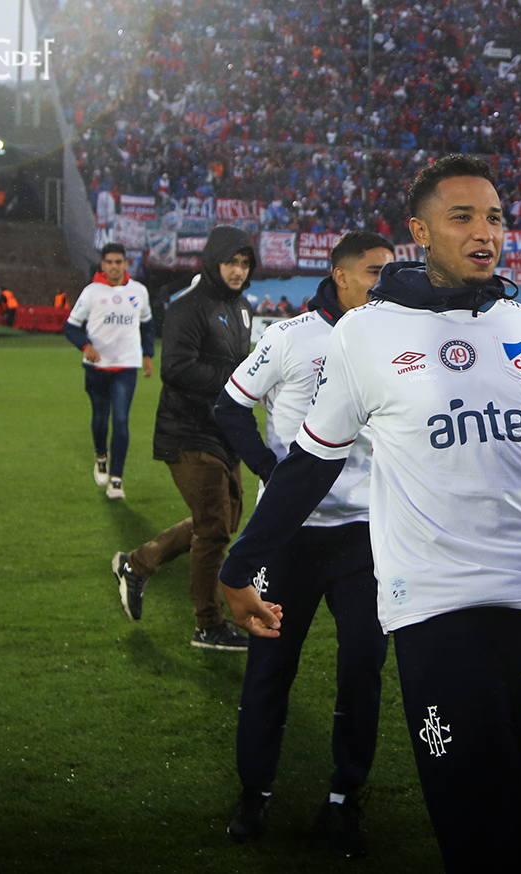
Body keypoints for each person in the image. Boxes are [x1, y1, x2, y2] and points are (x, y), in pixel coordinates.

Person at [218, 155, 521, 871]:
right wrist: (240, 564)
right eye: (462, 217)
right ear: (421, 231)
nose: (485, 233)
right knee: (479, 824)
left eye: (495, 218)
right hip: (440, 607)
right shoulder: (366, 334)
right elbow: (311, 463)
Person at [211, 231, 394, 854]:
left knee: (363, 668)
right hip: (289, 537)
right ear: (340, 276)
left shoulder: (393, 339)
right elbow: (229, 407)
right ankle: (254, 792)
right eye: (372, 272)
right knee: (270, 667)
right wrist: (272, 471)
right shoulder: (291, 337)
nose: (383, 283)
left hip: (365, 536)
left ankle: (345, 798)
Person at [111, 226, 255, 651]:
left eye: (245, 264)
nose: (238, 271)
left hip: (224, 431)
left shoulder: (243, 307)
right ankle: (208, 625)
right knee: (214, 530)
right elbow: (176, 368)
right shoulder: (186, 308)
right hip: (187, 431)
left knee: (224, 521)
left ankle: (137, 565)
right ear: (213, 262)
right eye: (231, 262)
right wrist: (238, 378)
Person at [64, 243, 153, 500]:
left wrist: (148, 354)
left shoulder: (139, 291)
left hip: (126, 366)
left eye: (119, 262)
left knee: (121, 421)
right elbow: (70, 327)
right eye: (110, 262)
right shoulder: (91, 293)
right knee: (101, 419)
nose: (114, 267)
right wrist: (86, 346)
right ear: (103, 265)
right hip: (97, 368)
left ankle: (116, 480)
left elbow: (147, 325)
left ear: (126, 264)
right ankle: (101, 455)